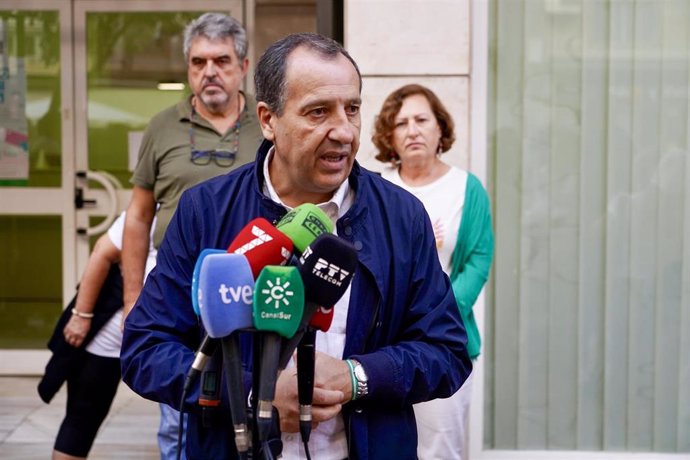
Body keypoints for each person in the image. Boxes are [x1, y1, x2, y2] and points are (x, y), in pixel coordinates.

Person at [120, 33, 472, 460]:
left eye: (353, 109)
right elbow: (146, 349)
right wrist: (254, 393)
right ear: (269, 120)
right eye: (318, 112)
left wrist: (357, 377)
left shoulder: (401, 216)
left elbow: (447, 351)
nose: (343, 130)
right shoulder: (205, 211)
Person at [120, 12, 263, 460]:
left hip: (254, 292)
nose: (209, 72)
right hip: (182, 294)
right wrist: (132, 302)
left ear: (243, 65)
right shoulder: (163, 127)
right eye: (198, 62)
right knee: (180, 418)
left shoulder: (269, 123)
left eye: (221, 60)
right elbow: (138, 217)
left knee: (254, 400)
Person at [373, 83, 494, 460]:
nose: (413, 130)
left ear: (439, 128)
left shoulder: (466, 188)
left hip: (443, 344)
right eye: (402, 122)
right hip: (385, 349)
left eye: (422, 119)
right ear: (389, 135)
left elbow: (477, 261)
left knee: (441, 449)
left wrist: (436, 317)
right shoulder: (377, 189)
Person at [38, 211, 156, 460]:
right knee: (83, 415)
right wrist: (81, 315)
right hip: (109, 335)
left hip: (170, 337)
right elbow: (101, 253)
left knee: (181, 423)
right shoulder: (147, 211)